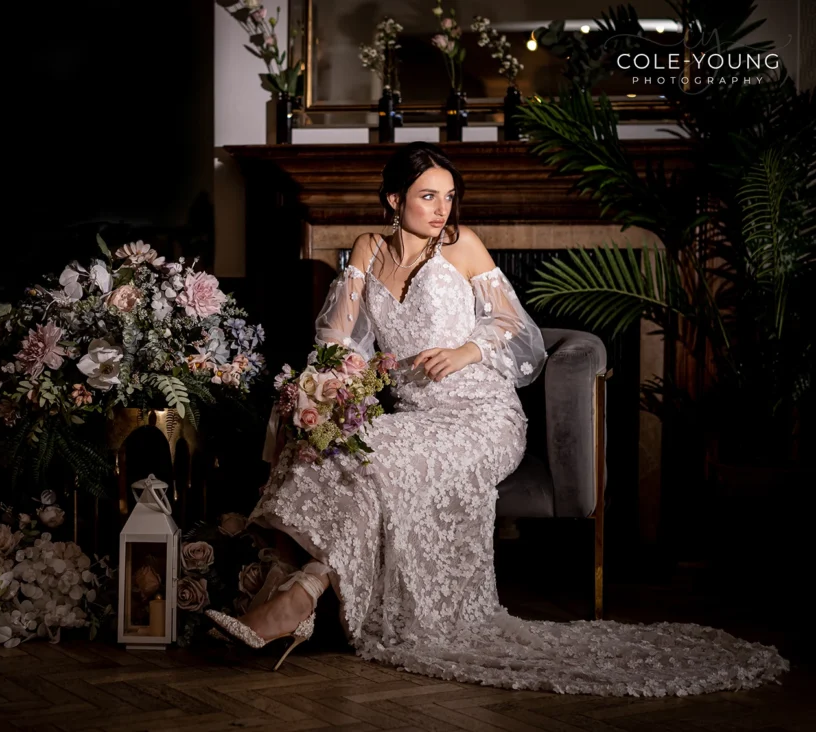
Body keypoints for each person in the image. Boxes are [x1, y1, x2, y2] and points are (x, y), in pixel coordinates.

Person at [206, 141, 789, 695]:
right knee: (338, 447)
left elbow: (517, 327)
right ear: (393, 200)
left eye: (449, 196)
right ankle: (295, 588)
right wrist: (333, 382)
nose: (442, 208)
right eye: (428, 195)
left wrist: (466, 351)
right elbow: (339, 335)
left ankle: (298, 597)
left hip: (483, 417)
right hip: (417, 417)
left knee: (374, 454)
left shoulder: (463, 246)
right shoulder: (366, 249)